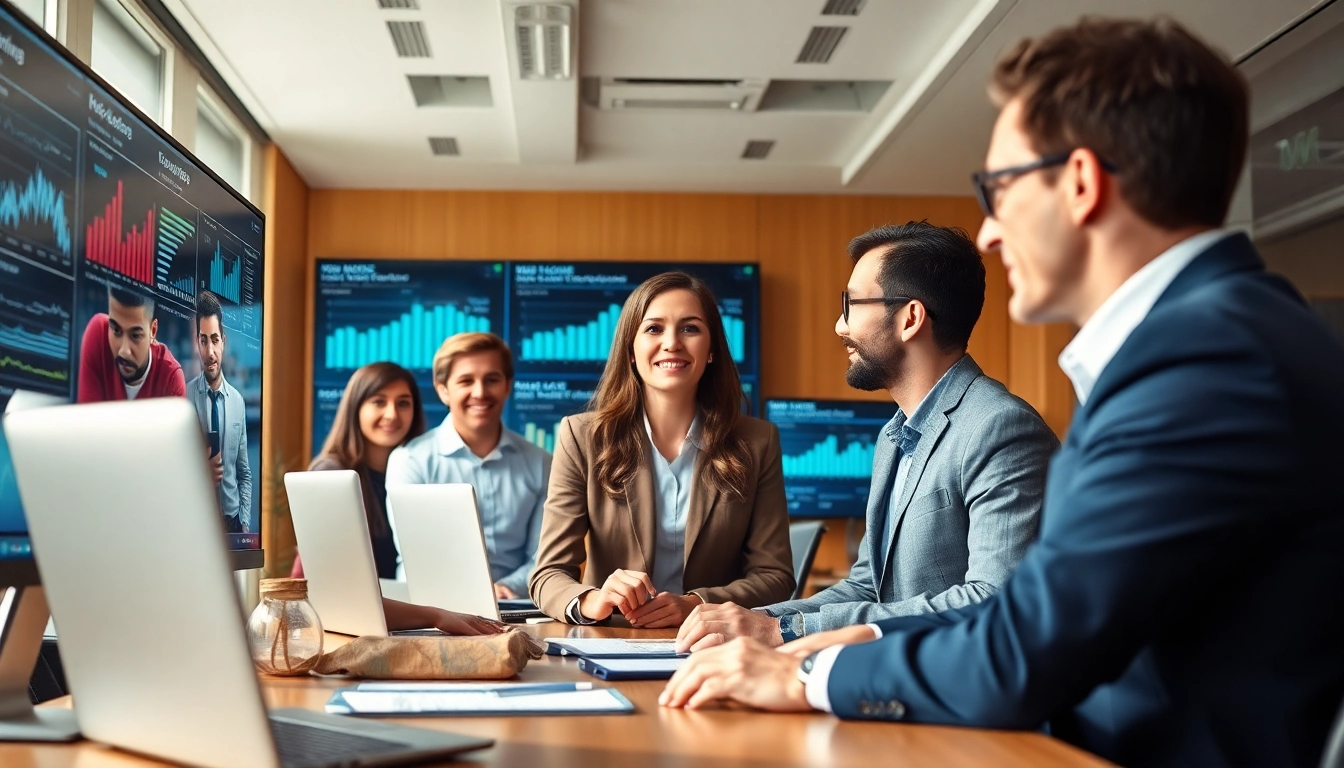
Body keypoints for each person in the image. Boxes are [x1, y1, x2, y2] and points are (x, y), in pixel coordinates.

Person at [659, 17, 1344, 768]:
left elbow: (1025, 645)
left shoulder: (1203, 360)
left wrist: (807, 669)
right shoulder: (1219, 335)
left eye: (999, 188)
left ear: (1080, 183)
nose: (987, 232)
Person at [675, 222, 1057, 653]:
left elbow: (993, 600)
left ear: (910, 318)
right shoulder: (893, 437)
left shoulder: (1000, 429)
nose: (840, 326)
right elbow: (868, 586)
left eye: (851, 304)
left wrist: (786, 633)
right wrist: (758, 619)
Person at [529, 271, 794, 627]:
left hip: (710, 641)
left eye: (690, 328)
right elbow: (548, 575)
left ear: (712, 349)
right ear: (631, 351)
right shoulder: (582, 437)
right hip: (612, 638)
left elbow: (775, 576)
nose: (672, 343)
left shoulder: (758, 442)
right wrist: (592, 600)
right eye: (654, 329)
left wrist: (694, 604)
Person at [291, 361, 502, 636]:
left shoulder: (419, 471)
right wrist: (436, 615)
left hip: (405, 624)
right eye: (379, 402)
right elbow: (343, 598)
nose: (392, 414)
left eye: (403, 403)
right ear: (356, 408)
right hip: (341, 631)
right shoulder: (331, 474)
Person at [385, 332, 550, 599]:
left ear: (508, 385)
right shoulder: (410, 460)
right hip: (429, 608)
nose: (480, 392)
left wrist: (508, 587)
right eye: (465, 381)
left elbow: (544, 555)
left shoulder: (540, 462)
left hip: (513, 609)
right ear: (443, 390)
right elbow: (416, 553)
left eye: (492, 380)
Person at [185, 291, 252, 534]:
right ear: (197, 342)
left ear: (223, 340)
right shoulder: (184, 398)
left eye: (215, 340)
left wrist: (244, 521)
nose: (210, 351)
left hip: (232, 521)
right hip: (197, 521)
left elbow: (244, 472)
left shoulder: (237, 402)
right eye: (204, 341)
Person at [77, 284, 185, 402]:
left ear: (153, 331)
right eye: (116, 330)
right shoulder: (99, 333)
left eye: (135, 336)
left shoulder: (171, 379)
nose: (124, 352)